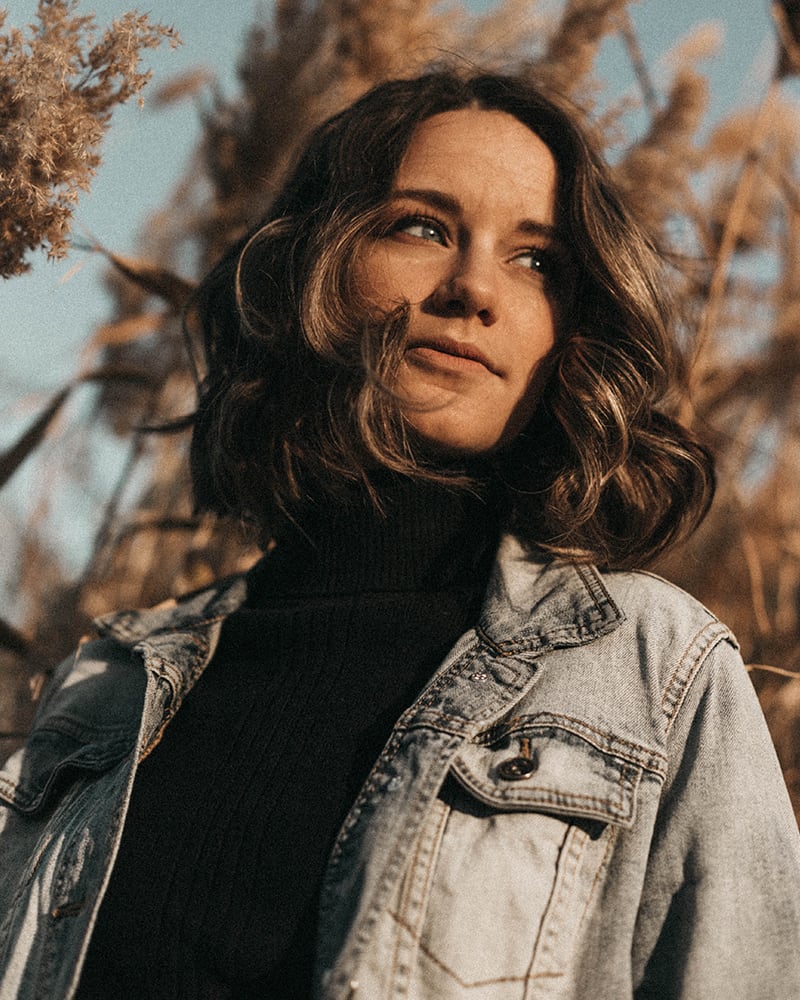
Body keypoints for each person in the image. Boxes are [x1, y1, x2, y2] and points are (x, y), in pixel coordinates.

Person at [1, 70, 798, 1000]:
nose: (473, 290)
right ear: (311, 264)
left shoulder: (654, 671)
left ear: (569, 330)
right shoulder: (110, 686)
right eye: (421, 226)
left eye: (536, 260)